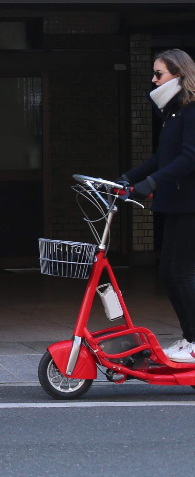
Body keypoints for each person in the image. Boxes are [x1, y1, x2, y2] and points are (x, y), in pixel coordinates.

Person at [118, 48, 195, 363]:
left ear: (178, 75)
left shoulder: (192, 111)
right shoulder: (175, 112)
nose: (153, 79)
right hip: (176, 203)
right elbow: (161, 158)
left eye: (158, 74)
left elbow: (189, 158)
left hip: (190, 204)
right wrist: (128, 178)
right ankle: (189, 338)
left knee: (182, 272)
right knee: (168, 272)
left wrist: (151, 184)